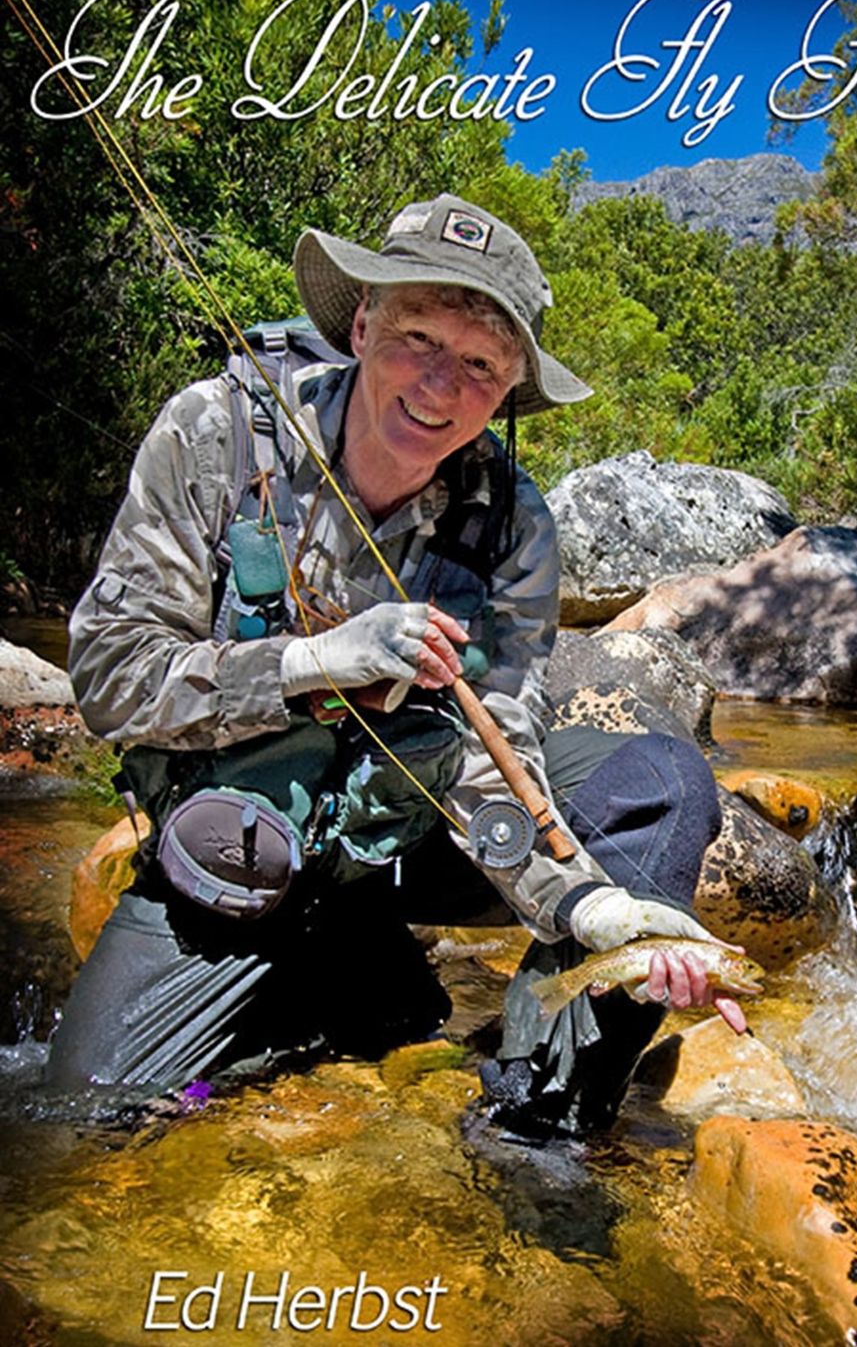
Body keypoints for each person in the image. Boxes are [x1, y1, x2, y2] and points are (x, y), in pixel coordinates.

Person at [47, 194, 749, 1137]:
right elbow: (108, 678)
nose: (440, 384)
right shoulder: (215, 438)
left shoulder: (511, 527)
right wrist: (306, 663)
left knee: (659, 778)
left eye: (479, 365)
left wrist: (586, 907)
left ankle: (542, 1110)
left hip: (410, 842)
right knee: (86, 1126)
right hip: (242, 865)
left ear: (505, 393)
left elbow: (497, 749)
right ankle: (337, 995)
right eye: (418, 335)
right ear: (363, 322)